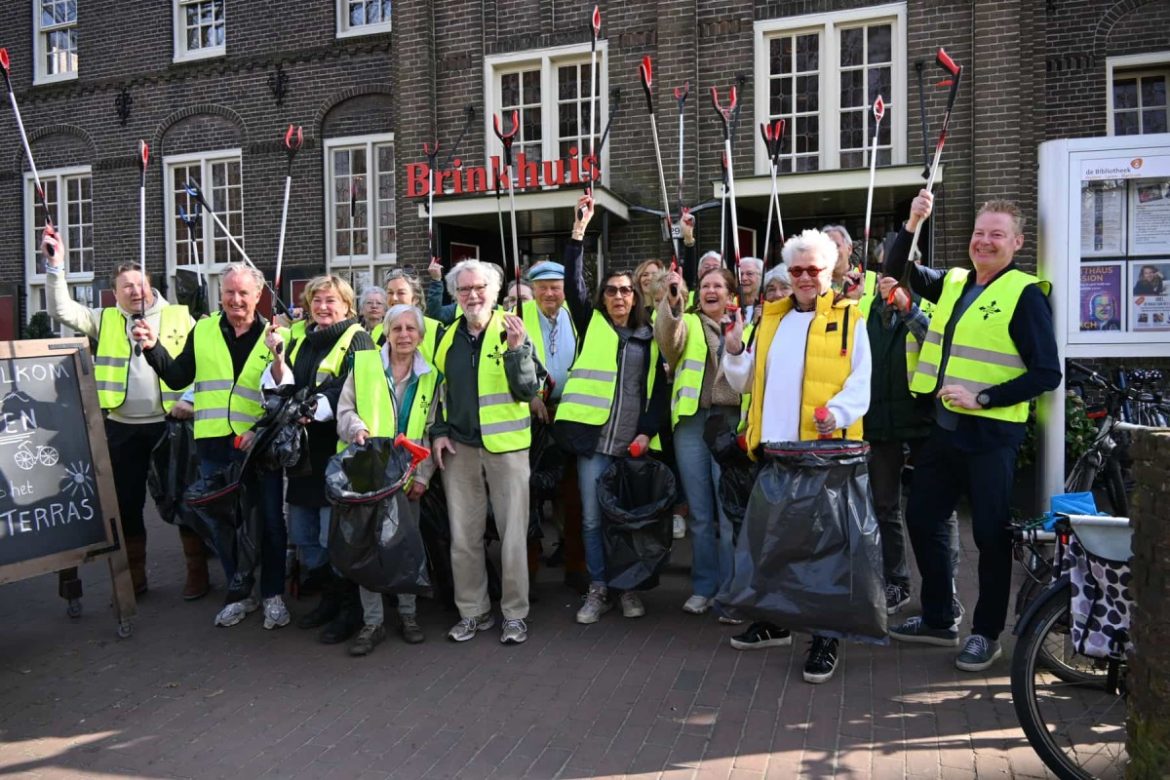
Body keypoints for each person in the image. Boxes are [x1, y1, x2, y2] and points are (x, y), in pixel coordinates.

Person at [885, 190, 1062, 672]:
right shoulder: (956, 281)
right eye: (979, 233)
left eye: (996, 234)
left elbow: (1047, 373)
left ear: (1017, 242)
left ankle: (986, 633)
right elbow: (896, 272)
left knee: (989, 536)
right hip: (944, 431)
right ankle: (941, 618)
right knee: (922, 518)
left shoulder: (1024, 294)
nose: (984, 241)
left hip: (991, 438)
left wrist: (983, 398)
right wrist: (912, 223)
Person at [722, 228, 872, 684]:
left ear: (830, 271)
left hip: (824, 453)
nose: (805, 277)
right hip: (777, 451)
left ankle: (825, 637)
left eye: (814, 269)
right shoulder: (770, 319)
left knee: (824, 551)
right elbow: (744, 381)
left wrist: (838, 413)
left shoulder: (851, 318)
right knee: (778, 542)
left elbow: (862, 381)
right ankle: (776, 622)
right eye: (797, 269)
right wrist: (732, 351)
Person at [41, 225, 198, 597]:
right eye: (125, 285)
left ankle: (197, 571)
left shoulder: (180, 316)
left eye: (138, 283)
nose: (133, 291)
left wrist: (189, 399)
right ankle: (135, 576)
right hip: (121, 428)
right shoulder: (105, 318)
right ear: (115, 291)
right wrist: (55, 267)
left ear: (150, 283)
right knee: (126, 504)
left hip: (169, 425)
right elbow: (61, 309)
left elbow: (202, 365)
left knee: (181, 497)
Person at [134, 263, 289, 629]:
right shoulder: (202, 330)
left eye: (244, 293)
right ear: (221, 294)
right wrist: (153, 347)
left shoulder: (277, 333)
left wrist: (279, 355)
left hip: (260, 444)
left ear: (258, 296)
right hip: (214, 444)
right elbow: (178, 376)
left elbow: (284, 391)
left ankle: (273, 595)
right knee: (224, 523)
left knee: (269, 521)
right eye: (229, 292)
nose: (236, 299)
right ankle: (239, 594)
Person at [556, 195, 669, 622]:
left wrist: (646, 431)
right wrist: (578, 233)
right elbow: (573, 285)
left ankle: (629, 589)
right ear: (602, 298)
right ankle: (599, 587)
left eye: (626, 290)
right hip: (594, 444)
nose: (619, 296)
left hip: (632, 445)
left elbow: (657, 391)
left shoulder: (649, 336)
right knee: (590, 519)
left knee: (629, 522)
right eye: (611, 290)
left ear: (634, 296)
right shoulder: (592, 324)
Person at [430, 260, 541, 644]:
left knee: (512, 536)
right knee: (464, 537)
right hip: (460, 449)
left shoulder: (514, 328)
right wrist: (440, 432)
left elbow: (529, 391)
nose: (472, 296)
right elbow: (437, 393)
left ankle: (514, 614)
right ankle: (473, 612)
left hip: (507, 448)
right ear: (454, 295)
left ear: (493, 292)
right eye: (463, 290)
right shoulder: (446, 337)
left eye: (479, 288)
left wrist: (516, 351)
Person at [265, 274, 374, 645]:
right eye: (317, 300)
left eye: (331, 300)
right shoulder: (299, 338)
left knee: (335, 540)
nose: (323, 307)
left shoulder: (358, 338)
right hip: (302, 457)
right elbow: (282, 383)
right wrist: (278, 356)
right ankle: (328, 599)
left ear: (347, 305)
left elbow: (350, 390)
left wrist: (309, 406)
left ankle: (348, 610)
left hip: (336, 455)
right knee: (306, 537)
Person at [337, 304, 439, 653]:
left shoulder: (431, 376)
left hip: (408, 475)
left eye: (412, 329)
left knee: (406, 546)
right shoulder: (364, 365)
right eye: (397, 329)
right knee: (369, 548)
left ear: (421, 336)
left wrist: (424, 475)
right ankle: (373, 622)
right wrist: (356, 428)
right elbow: (345, 410)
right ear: (387, 333)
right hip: (369, 473)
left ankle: (408, 615)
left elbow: (430, 429)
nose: (404, 335)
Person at [655, 263, 742, 615]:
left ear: (730, 294)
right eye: (705, 285)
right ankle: (704, 587)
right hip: (691, 423)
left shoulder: (744, 324)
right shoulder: (687, 321)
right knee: (701, 514)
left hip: (728, 422)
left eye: (718, 285)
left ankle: (732, 590)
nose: (711, 291)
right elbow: (668, 341)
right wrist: (673, 301)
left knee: (728, 511)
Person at [521, 259, 587, 589]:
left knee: (570, 495)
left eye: (556, 288)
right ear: (532, 290)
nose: (550, 293)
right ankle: (529, 574)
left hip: (568, 413)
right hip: (530, 415)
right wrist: (532, 394)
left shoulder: (574, 317)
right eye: (543, 287)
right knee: (530, 494)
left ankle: (575, 566)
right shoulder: (519, 315)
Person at [384, 268, 443, 361]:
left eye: (401, 293)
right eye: (390, 292)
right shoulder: (377, 332)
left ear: (415, 298)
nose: (394, 298)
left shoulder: (436, 330)